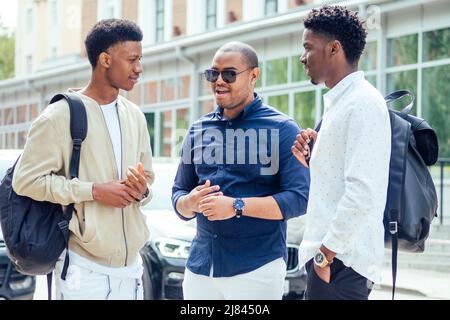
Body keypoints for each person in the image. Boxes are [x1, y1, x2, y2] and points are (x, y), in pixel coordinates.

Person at [12, 19, 154, 300]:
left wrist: (142, 191)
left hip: (131, 271)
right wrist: (94, 191)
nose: (139, 68)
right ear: (105, 59)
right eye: (132, 59)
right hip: (83, 271)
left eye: (140, 59)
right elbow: (25, 181)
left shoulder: (135, 115)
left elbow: (147, 179)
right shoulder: (59, 116)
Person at [172, 41, 310, 300]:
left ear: (254, 75)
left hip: (256, 269)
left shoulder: (283, 129)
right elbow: (178, 193)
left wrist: (236, 206)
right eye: (213, 74)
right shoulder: (197, 130)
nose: (219, 81)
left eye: (229, 74)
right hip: (201, 269)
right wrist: (189, 203)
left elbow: (299, 199)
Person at [291, 5, 391, 300]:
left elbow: (363, 191)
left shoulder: (363, 103)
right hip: (333, 263)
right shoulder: (341, 103)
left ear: (334, 49)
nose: (302, 57)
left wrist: (325, 254)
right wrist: (312, 159)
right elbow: (337, 184)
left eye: (308, 48)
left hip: (341, 265)